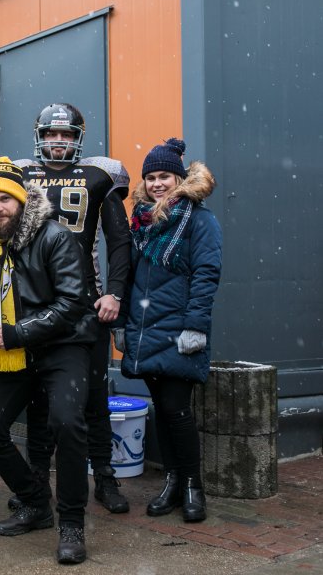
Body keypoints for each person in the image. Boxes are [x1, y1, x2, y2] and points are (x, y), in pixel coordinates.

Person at [0, 157, 96, 564]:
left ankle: (72, 521)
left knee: (66, 422)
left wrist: (16, 332)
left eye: (5, 199)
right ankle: (35, 500)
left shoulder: (55, 237)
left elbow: (73, 303)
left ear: (22, 201)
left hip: (64, 345)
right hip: (15, 349)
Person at [14, 103, 132, 514]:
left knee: (95, 396)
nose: (59, 141)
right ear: (39, 136)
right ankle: (35, 483)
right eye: (51, 134)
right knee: (39, 400)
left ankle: (104, 476)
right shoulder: (20, 173)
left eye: (66, 134)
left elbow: (119, 240)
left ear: (78, 137)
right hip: (33, 302)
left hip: (85, 302)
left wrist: (114, 292)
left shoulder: (99, 175)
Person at [119, 138, 222, 523]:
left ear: (179, 178)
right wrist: (122, 324)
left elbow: (206, 275)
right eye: (150, 177)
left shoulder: (199, 219)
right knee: (161, 410)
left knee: (178, 410)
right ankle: (173, 482)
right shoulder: (142, 222)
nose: (157, 183)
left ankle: (194, 486)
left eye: (164, 176)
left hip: (179, 331)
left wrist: (195, 327)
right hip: (146, 330)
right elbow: (129, 277)